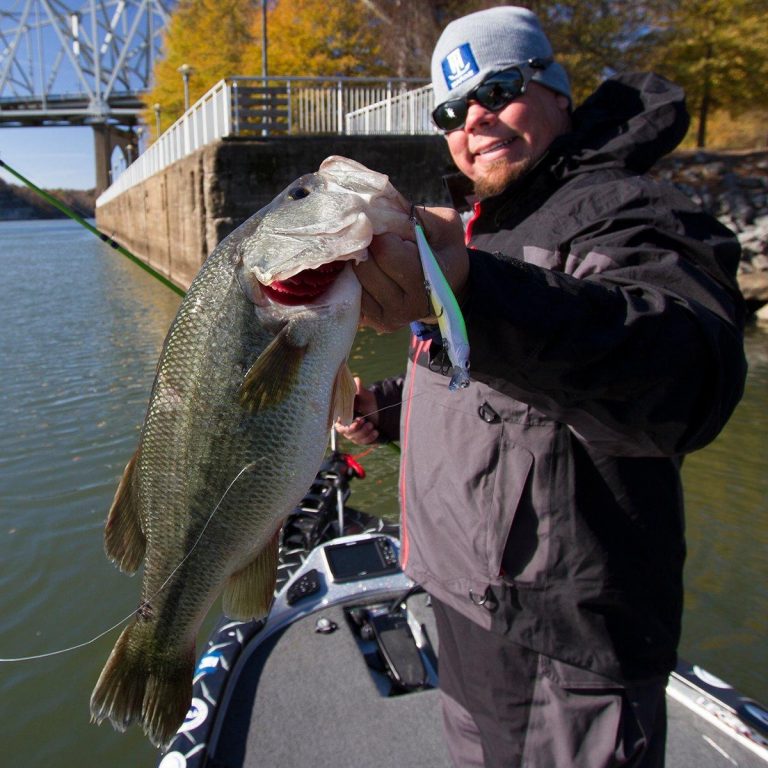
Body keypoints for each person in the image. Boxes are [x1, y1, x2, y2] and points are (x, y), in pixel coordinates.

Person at [336, 6, 747, 767]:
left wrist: (476, 289)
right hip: (460, 615)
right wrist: (387, 407)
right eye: (452, 111)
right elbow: (493, 391)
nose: (475, 119)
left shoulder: (627, 215)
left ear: (557, 90)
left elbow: (690, 376)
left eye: (497, 88)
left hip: (567, 653)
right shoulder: (482, 228)